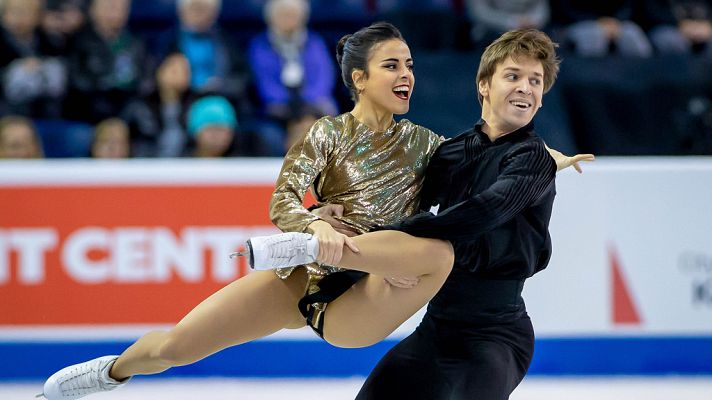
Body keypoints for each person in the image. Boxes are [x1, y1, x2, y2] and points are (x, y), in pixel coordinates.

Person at [39, 23, 590, 400]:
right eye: (392, 65)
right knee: (177, 344)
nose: (407, 76)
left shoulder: (427, 144)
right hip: (309, 274)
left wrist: (546, 157)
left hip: (385, 294)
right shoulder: (340, 136)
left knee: (437, 253)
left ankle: (353, 251)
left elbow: (485, 200)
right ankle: (112, 372)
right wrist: (315, 224)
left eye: (410, 65)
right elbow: (284, 198)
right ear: (358, 78)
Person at [247, 0, 338, 154]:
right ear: (271, 18)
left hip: (313, 108)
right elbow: (264, 82)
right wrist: (292, 112)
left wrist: (307, 110)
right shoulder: (260, 45)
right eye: (283, 15)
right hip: (277, 111)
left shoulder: (315, 43)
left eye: (293, 15)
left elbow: (323, 78)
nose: (289, 20)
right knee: (271, 137)